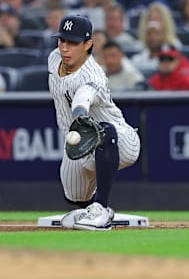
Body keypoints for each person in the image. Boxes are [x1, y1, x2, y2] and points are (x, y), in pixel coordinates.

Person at [48, 14, 141, 230]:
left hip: (121, 140)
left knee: (103, 130)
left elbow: (84, 97)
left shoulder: (94, 74)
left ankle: (102, 208)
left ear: (88, 44)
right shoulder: (54, 58)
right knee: (74, 193)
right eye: (62, 40)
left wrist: (80, 114)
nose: (65, 48)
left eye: (73, 43)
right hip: (80, 142)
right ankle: (89, 207)